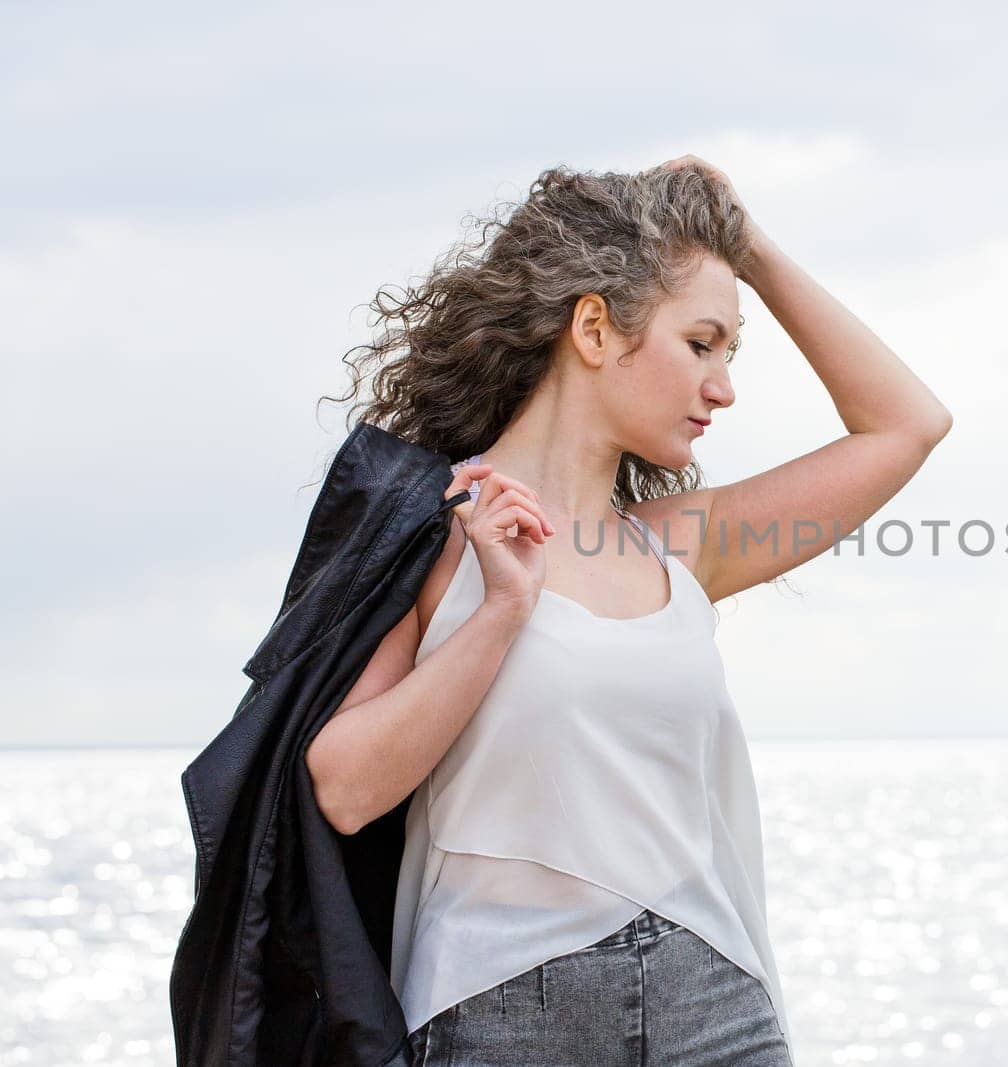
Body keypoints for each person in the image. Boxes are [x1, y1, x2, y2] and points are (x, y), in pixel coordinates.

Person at [303, 155, 953, 1065]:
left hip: (714, 1001)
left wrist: (746, 245)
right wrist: (500, 612)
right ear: (595, 328)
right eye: (700, 344)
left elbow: (907, 423)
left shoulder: (681, 543)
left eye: (730, 353)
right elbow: (343, 785)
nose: (723, 386)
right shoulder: (431, 528)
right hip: (498, 1010)